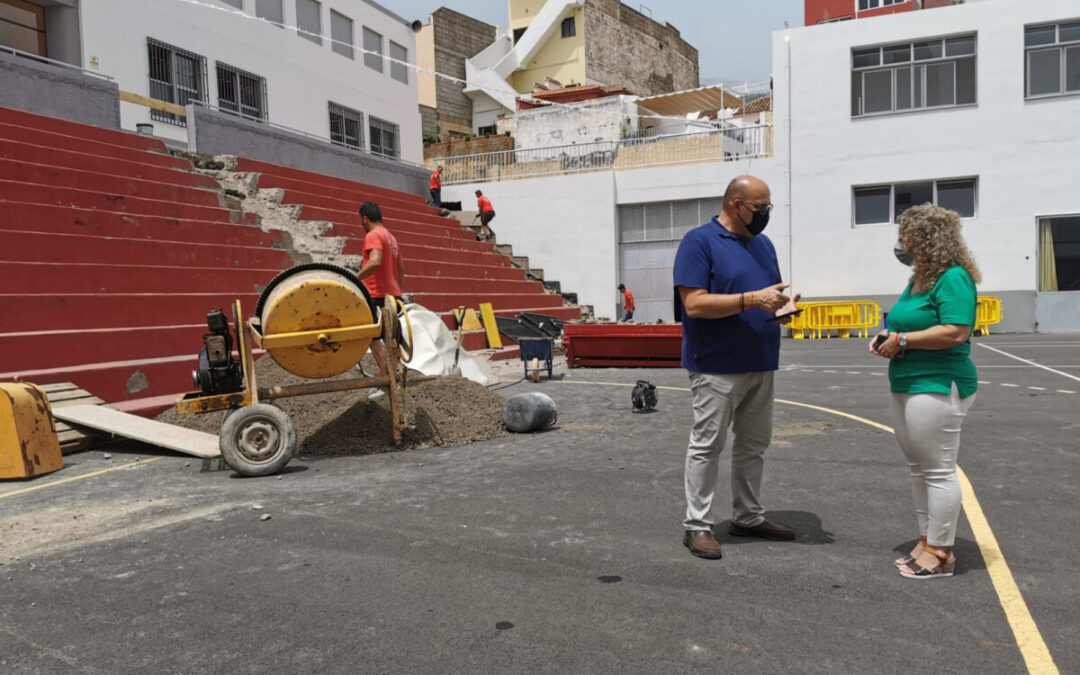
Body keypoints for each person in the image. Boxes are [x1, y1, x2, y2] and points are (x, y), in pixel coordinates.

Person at [673, 175, 800, 560]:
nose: (765, 215)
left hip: (760, 361)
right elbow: (693, 305)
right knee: (707, 445)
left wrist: (782, 309)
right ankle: (697, 525)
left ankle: (748, 516)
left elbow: (766, 297)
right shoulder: (698, 242)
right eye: (759, 208)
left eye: (768, 208)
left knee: (753, 445)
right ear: (734, 203)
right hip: (716, 365)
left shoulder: (763, 245)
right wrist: (750, 300)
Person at [870, 203, 980, 579]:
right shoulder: (919, 279)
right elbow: (907, 325)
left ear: (924, 239)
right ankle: (927, 539)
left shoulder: (953, 278)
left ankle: (942, 552)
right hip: (906, 382)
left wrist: (902, 338)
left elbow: (955, 331)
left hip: (938, 383)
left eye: (906, 235)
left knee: (938, 470)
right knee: (919, 468)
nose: (901, 243)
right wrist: (888, 338)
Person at [355, 201, 405, 400]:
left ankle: (387, 383)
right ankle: (397, 379)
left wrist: (355, 279)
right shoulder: (391, 237)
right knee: (391, 339)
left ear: (365, 219)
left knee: (373, 339)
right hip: (394, 295)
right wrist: (397, 290)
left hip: (376, 295)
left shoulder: (373, 235)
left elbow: (375, 261)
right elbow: (402, 270)